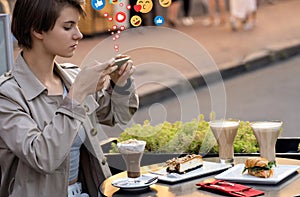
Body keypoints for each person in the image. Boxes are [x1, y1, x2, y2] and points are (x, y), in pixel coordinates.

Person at [0, 0, 139, 196]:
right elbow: (42, 157)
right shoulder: (7, 95)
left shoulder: (72, 77)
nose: (79, 34)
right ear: (38, 30)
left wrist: (120, 84)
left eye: (77, 25)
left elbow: (118, 116)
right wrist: (77, 95)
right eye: (68, 27)